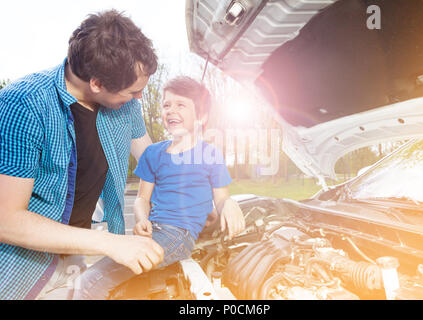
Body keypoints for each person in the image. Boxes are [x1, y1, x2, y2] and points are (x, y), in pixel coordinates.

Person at [0, 10, 164, 300]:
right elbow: (6, 219)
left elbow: (154, 162)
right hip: (23, 269)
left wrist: (216, 196)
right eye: (132, 91)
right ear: (97, 84)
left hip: (76, 254)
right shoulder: (23, 105)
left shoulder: (125, 106)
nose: (139, 98)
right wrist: (110, 243)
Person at [73, 76, 246, 300]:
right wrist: (141, 218)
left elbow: (222, 199)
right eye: (166, 105)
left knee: (89, 283)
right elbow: (141, 199)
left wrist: (229, 203)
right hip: (152, 233)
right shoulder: (153, 153)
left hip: (177, 236)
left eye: (180, 105)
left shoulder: (209, 155)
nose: (171, 110)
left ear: (201, 116)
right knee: (119, 288)